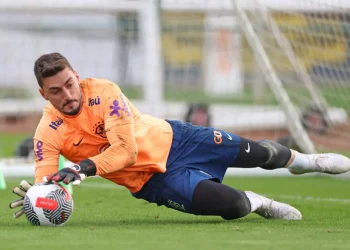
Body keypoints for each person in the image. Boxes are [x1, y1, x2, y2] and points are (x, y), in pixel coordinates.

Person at [9, 52, 350, 221]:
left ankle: (305, 161)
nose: (67, 94)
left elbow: (125, 151)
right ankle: (259, 201)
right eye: (56, 90)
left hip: (178, 139)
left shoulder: (104, 93)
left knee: (261, 154)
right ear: (44, 95)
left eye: (70, 84)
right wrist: (39, 196)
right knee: (233, 207)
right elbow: (48, 177)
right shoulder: (47, 132)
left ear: (77, 78)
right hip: (152, 183)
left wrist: (81, 168)